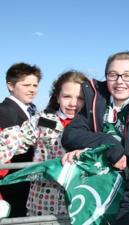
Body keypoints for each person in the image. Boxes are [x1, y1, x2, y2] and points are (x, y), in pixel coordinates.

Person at [61, 51, 129, 224]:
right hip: (95, 193)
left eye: (128, 75)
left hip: (128, 195)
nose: (119, 81)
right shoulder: (96, 100)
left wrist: (127, 211)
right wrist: (109, 145)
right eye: (113, 75)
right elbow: (71, 135)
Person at [0, 70, 88, 216]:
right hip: (45, 201)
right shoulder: (43, 120)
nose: (73, 103)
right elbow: (14, 139)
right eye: (67, 96)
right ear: (58, 97)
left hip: (81, 202)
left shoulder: (95, 124)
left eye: (80, 98)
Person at [0, 62, 42, 217]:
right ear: (10, 86)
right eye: (26, 85)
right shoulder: (4, 111)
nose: (32, 90)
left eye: (35, 85)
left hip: (31, 183)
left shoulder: (33, 110)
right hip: (15, 185)